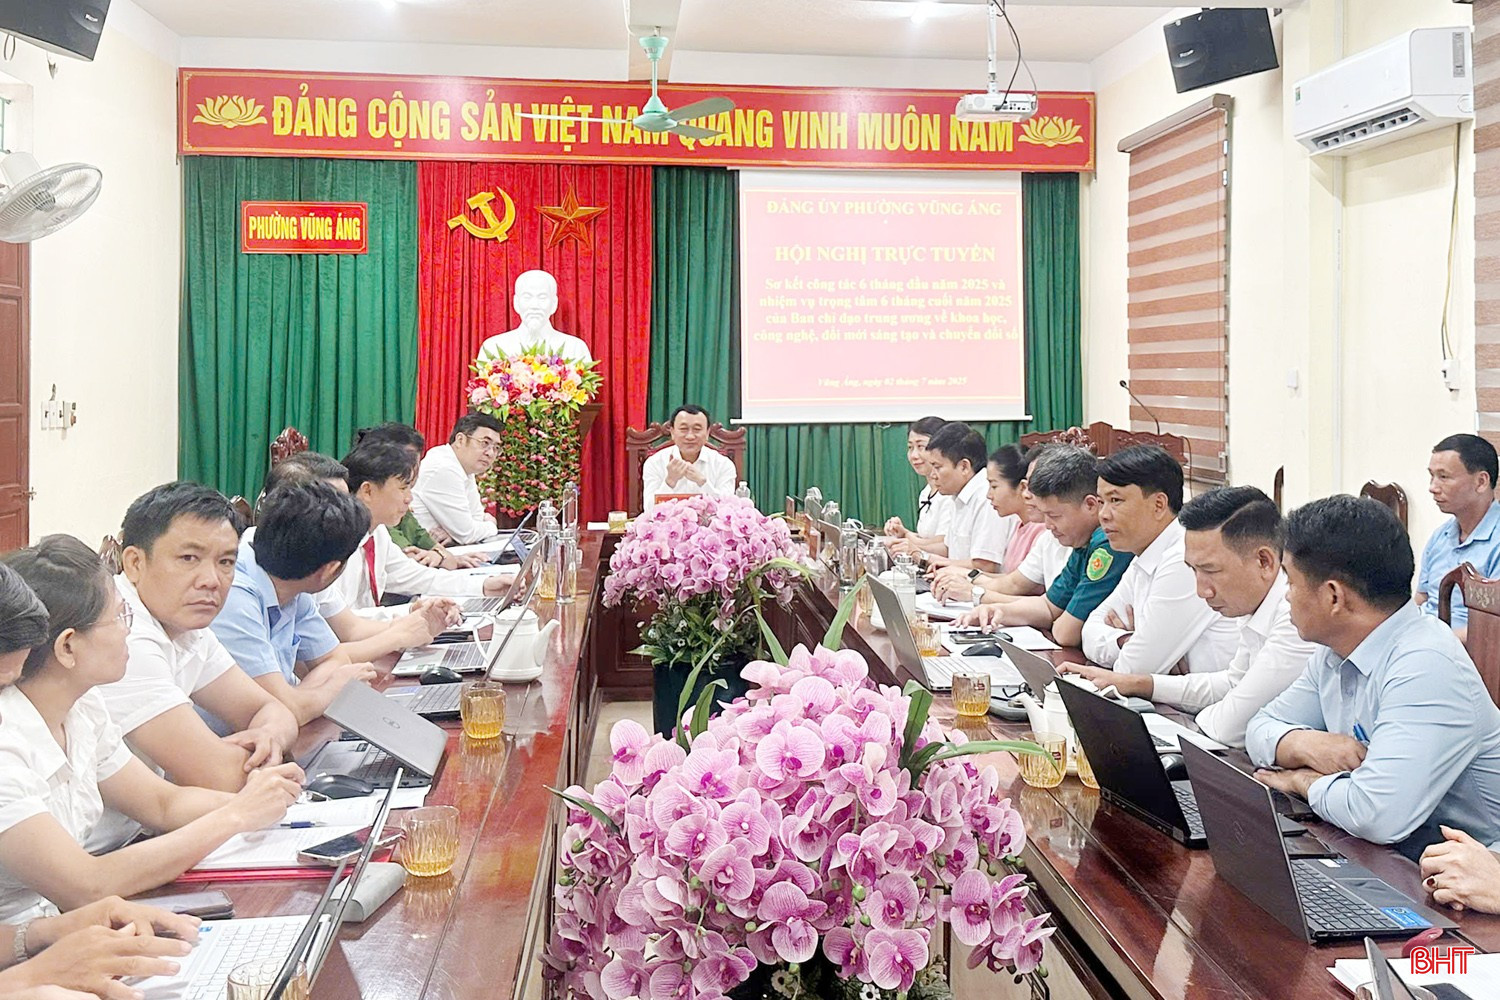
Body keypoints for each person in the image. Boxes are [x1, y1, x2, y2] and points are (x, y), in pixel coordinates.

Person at [0, 536, 301, 922]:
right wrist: (236, 816)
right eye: (119, 617)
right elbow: (86, 885)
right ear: (68, 647)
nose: (128, 631)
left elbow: (162, 803)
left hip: (59, 928)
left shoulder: (83, 708)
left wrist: (269, 801)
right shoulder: (9, 742)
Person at [1247, 496, 1500, 849]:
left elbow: (1375, 814)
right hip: (1392, 851)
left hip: (1472, 867)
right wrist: (1304, 744)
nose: (1286, 596)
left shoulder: (1425, 664)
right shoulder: (1335, 651)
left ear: (1333, 597)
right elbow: (1259, 727)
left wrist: (1302, 781)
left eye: (1291, 581)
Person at [1064, 486, 1314, 747]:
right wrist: (1138, 683)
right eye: (1193, 570)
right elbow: (1231, 683)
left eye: (1211, 571)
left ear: (1264, 561)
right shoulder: (1253, 601)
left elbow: (1229, 727)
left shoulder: (1295, 618)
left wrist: (1203, 713)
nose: (1201, 591)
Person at [95, 482, 299, 794]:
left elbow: (275, 710)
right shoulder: (122, 637)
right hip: (114, 827)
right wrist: (266, 757)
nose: (211, 581)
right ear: (134, 563)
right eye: (189, 558)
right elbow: (220, 775)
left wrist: (269, 738)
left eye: (226, 562)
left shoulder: (187, 624)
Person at [210, 481, 378, 727]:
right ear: (329, 569)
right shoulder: (233, 596)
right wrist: (331, 689)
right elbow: (283, 709)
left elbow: (336, 659)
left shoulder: (290, 582)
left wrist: (297, 699)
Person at [266, 456, 459, 662]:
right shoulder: (251, 583)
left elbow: (349, 630)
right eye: (333, 504)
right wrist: (399, 634)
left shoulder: (313, 560)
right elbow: (307, 668)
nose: (346, 512)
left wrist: (416, 620)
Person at [1081, 445, 1239, 675]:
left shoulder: (1184, 558)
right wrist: (1126, 641)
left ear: (1158, 505)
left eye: (1115, 500)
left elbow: (1134, 670)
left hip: (1214, 696)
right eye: (1101, 502)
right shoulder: (1144, 554)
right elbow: (1089, 630)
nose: (1103, 514)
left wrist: (1140, 652)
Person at [955, 446, 1131, 647]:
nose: (1047, 525)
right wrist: (998, 611)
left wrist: (1057, 620)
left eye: (1054, 516)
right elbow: (1048, 607)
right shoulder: (1082, 542)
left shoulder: (1107, 545)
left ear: (1090, 505)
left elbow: (1065, 634)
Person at [332, 441, 513, 613]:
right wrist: (412, 612)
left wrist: (484, 585)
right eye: (403, 488)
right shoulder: (338, 544)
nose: (409, 499)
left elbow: (418, 576)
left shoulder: (377, 533)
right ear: (367, 491)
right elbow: (341, 623)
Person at [931, 445, 1069, 602]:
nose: (1027, 494)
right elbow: (1013, 582)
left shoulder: (1043, 530)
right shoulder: (1031, 530)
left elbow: (1042, 603)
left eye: (994, 486)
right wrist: (965, 577)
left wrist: (972, 590)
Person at [352, 423, 485, 569]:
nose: (412, 467)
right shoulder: (375, 512)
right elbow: (410, 561)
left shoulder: (398, 504)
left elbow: (423, 539)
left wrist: (442, 555)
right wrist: (440, 557)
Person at [1415, 433, 1500, 642]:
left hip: (1467, 652)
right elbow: (1422, 598)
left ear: (1481, 482)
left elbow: (1494, 629)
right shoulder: (1440, 537)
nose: (1432, 487)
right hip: (1426, 641)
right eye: (1432, 476)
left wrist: (1433, 644)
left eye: (1444, 477)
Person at [915, 422, 1008, 574]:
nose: (932, 475)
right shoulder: (958, 494)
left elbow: (985, 566)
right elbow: (948, 549)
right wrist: (913, 550)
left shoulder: (986, 497)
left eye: (937, 467)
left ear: (964, 467)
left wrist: (924, 557)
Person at [409, 412, 505, 545]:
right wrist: (491, 524)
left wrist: (456, 535)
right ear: (460, 440)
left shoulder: (464, 468)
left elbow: (475, 520)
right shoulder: (443, 467)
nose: (490, 453)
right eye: (485, 443)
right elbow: (467, 534)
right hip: (421, 552)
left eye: (496, 448)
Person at [476, 269, 592, 363]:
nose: (534, 305)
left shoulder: (576, 349)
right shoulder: (493, 347)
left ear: (554, 303)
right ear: (516, 303)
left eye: (542, 297)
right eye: (527, 297)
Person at [640, 405, 738, 510]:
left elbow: (727, 509)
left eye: (697, 429)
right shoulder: (654, 463)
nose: (690, 436)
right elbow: (649, 510)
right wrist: (669, 482)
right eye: (683, 429)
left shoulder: (723, 464)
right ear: (672, 432)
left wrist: (703, 482)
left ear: (707, 433)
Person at [885, 416, 950, 556]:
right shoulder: (925, 492)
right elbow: (926, 540)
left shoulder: (949, 494)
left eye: (921, 447)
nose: (914, 455)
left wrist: (906, 537)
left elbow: (943, 546)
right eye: (910, 447)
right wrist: (903, 533)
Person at [987, 445, 1050, 574]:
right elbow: (1010, 579)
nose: (989, 495)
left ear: (1021, 487)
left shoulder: (1042, 529)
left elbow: (1018, 583)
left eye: (994, 486)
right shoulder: (1019, 525)